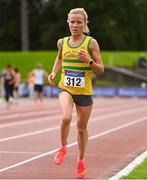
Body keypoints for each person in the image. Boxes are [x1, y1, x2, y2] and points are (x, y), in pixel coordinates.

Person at [48, 8, 104, 178]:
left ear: (84, 24)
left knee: (81, 128)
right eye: (72, 22)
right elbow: (59, 58)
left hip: (84, 92)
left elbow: (101, 70)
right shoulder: (62, 42)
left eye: (79, 22)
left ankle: (80, 160)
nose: (75, 25)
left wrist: (89, 61)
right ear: (68, 23)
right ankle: (63, 147)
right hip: (66, 87)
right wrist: (53, 72)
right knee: (66, 117)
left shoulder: (91, 43)